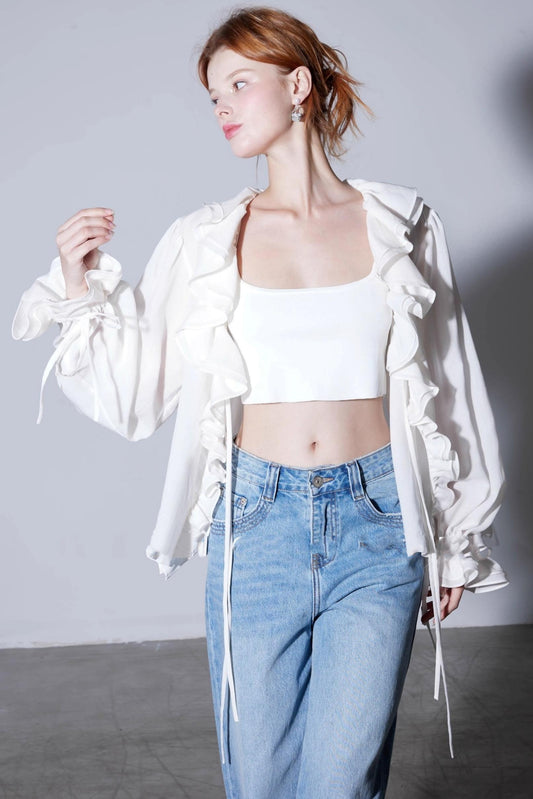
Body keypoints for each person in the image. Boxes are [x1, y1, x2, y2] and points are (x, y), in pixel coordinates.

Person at [12, 6, 508, 798]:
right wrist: (78, 287)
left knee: (342, 781)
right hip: (256, 527)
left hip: (378, 526)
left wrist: (453, 535)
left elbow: (450, 383)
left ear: (298, 85)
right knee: (264, 783)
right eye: (214, 95)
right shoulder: (205, 242)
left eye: (239, 84)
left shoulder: (401, 224)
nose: (222, 107)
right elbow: (137, 391)